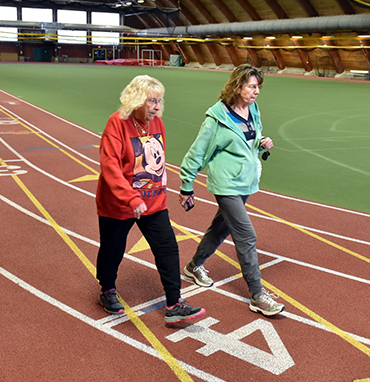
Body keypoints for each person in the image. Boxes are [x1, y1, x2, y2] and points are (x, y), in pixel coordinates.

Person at [95, 75, 205, 325]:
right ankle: (107, 289)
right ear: (136, 100)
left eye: (159, 101)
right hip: (119, 204)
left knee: (168, 248)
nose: (157, 106)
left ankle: (174, 303)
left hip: (153, 202)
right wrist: (131, 198)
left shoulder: (158, 125)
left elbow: (157, 164)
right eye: (152, 101)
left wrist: (168, 191)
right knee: (113, 250)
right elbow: (110, 166)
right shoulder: (117, 123)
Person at [179, 65, 284, 317]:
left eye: (258, 86)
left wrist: (261, 142)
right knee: (246, 236)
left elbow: (251, 138)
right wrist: (186, 185)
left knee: (220, 228)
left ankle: (194, 266)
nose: (257, 91)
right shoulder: (216, 119)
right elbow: (197, 153)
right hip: (226, 184)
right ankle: (258, 295)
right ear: (237, 86)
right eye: (252, 86)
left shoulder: (253, 110)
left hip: (246, 182)